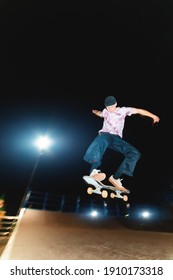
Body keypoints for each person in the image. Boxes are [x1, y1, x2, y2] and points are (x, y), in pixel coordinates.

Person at [83, 96, 160, 193]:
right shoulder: (105, 111)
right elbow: (100, 113)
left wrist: (153, 116)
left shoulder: (123, 110)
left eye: (111, 106)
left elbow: (139, 110)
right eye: (107, 107)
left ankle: (116, 177)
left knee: (135, 153)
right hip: (105, 136)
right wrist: (94, 111)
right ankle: (93, 171)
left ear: (115, 104)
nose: (109, 109)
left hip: (117, 139)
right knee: (102, 137)